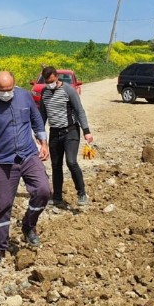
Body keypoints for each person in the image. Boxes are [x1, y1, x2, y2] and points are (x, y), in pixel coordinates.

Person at [0, 71, 51, 266]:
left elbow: (36, 119)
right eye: (2, 90)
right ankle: (0, 246)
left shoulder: (24, 96)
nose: (6, 93)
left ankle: (28, 226)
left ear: (14, 85)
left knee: (44, 190)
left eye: (9, 90)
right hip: (4, 161)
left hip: (28, 154)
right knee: (2, 205)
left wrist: (43, 142)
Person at [38, 66, 93, 207]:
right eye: (47, 81)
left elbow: (79, 110)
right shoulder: (45, 92)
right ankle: (57, 197)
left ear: (56, 77)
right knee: (56, 166)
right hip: (55, 132)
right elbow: (42, 115)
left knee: (71, 162)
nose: (50, 83)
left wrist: (86, 131)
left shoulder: (68, 90)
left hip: (71, 131)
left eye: (52, 80)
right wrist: (39, 133)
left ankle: (81, 193)